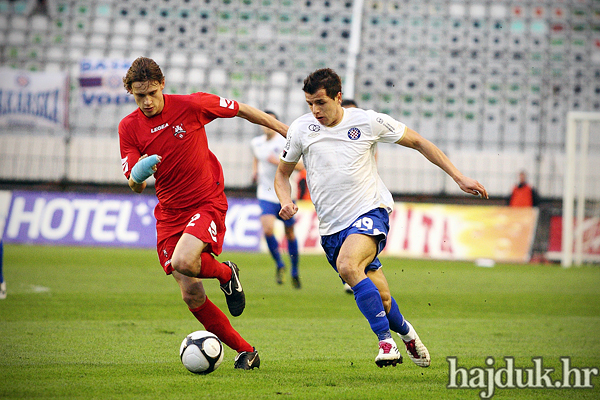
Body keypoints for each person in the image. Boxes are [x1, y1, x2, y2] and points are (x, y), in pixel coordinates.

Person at [275, 68, 488, 368]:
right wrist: (286, 201)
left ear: (338, 97)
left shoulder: (367, 121)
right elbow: (282, 176)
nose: (315, 110)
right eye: (310, 103)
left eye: (321, 102)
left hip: (369, 211)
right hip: (331, 229)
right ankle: (407, 333)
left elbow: (418, 142)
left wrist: (458, 176)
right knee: (383, 300)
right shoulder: (301, 129)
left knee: (348, 265)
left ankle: (386, 344)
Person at [118, 57, 288, 370]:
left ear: (162, 84)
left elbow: (241, 109)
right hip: (169, 213)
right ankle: (246, 351)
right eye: (140, 96)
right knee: (191, 294)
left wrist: (283, 129)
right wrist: (139, 173)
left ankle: (226, 273)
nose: (147, 101)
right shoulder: (128, 127)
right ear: (131, 92)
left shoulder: (192, 105)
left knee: (184, 261)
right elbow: (135, 185)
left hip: (205, 201)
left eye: (152, 93)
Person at [251, 111, 301, 288]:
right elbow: (256, 157)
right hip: (265, 193)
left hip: (284, 196)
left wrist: (278, 162)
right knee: (268, 229)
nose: (265, 125)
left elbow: (301, 166)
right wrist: (255, 170)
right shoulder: (255, 143)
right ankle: (280, 264)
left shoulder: (285, 143)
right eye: (263, 122)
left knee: (290, 234)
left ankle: (295, 270)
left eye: (269, 122)